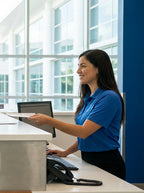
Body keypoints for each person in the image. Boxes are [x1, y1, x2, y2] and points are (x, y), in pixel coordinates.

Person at [29, 49, 126, 180]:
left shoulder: (109, 98)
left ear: (98, 69)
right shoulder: (88, 97)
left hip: (107, 163)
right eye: (78, 66)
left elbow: (83, 132)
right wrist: (65, 152)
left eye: (83, 66)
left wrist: (49, 120)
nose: (78, 71)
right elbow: (88, 137)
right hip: (90, 159)